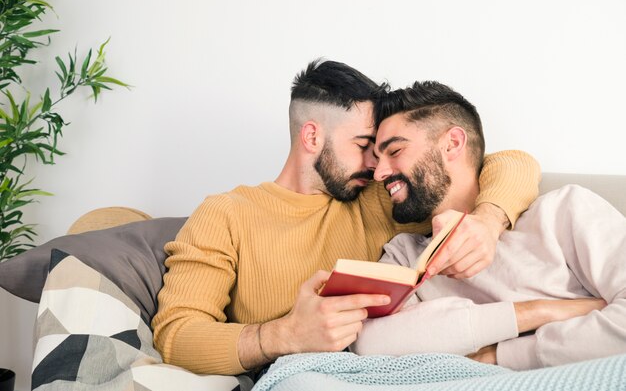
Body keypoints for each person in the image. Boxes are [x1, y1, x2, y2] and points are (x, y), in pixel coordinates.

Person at [151, 60, 542, 375]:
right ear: (311, 138)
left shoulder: (376, 198)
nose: (377, 166)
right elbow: (176, 336)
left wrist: (489, 221)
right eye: (363, 147)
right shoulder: (226, 214)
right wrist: (283, 336)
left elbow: (511, 164)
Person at [352, 81, 625, 369]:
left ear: (452, 144)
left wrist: (501, 355)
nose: (380, 174)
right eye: (377, 160)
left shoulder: (563, 211)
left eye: (394, 152)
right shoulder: (405, 255)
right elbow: (370, 342)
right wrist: (540, 311)